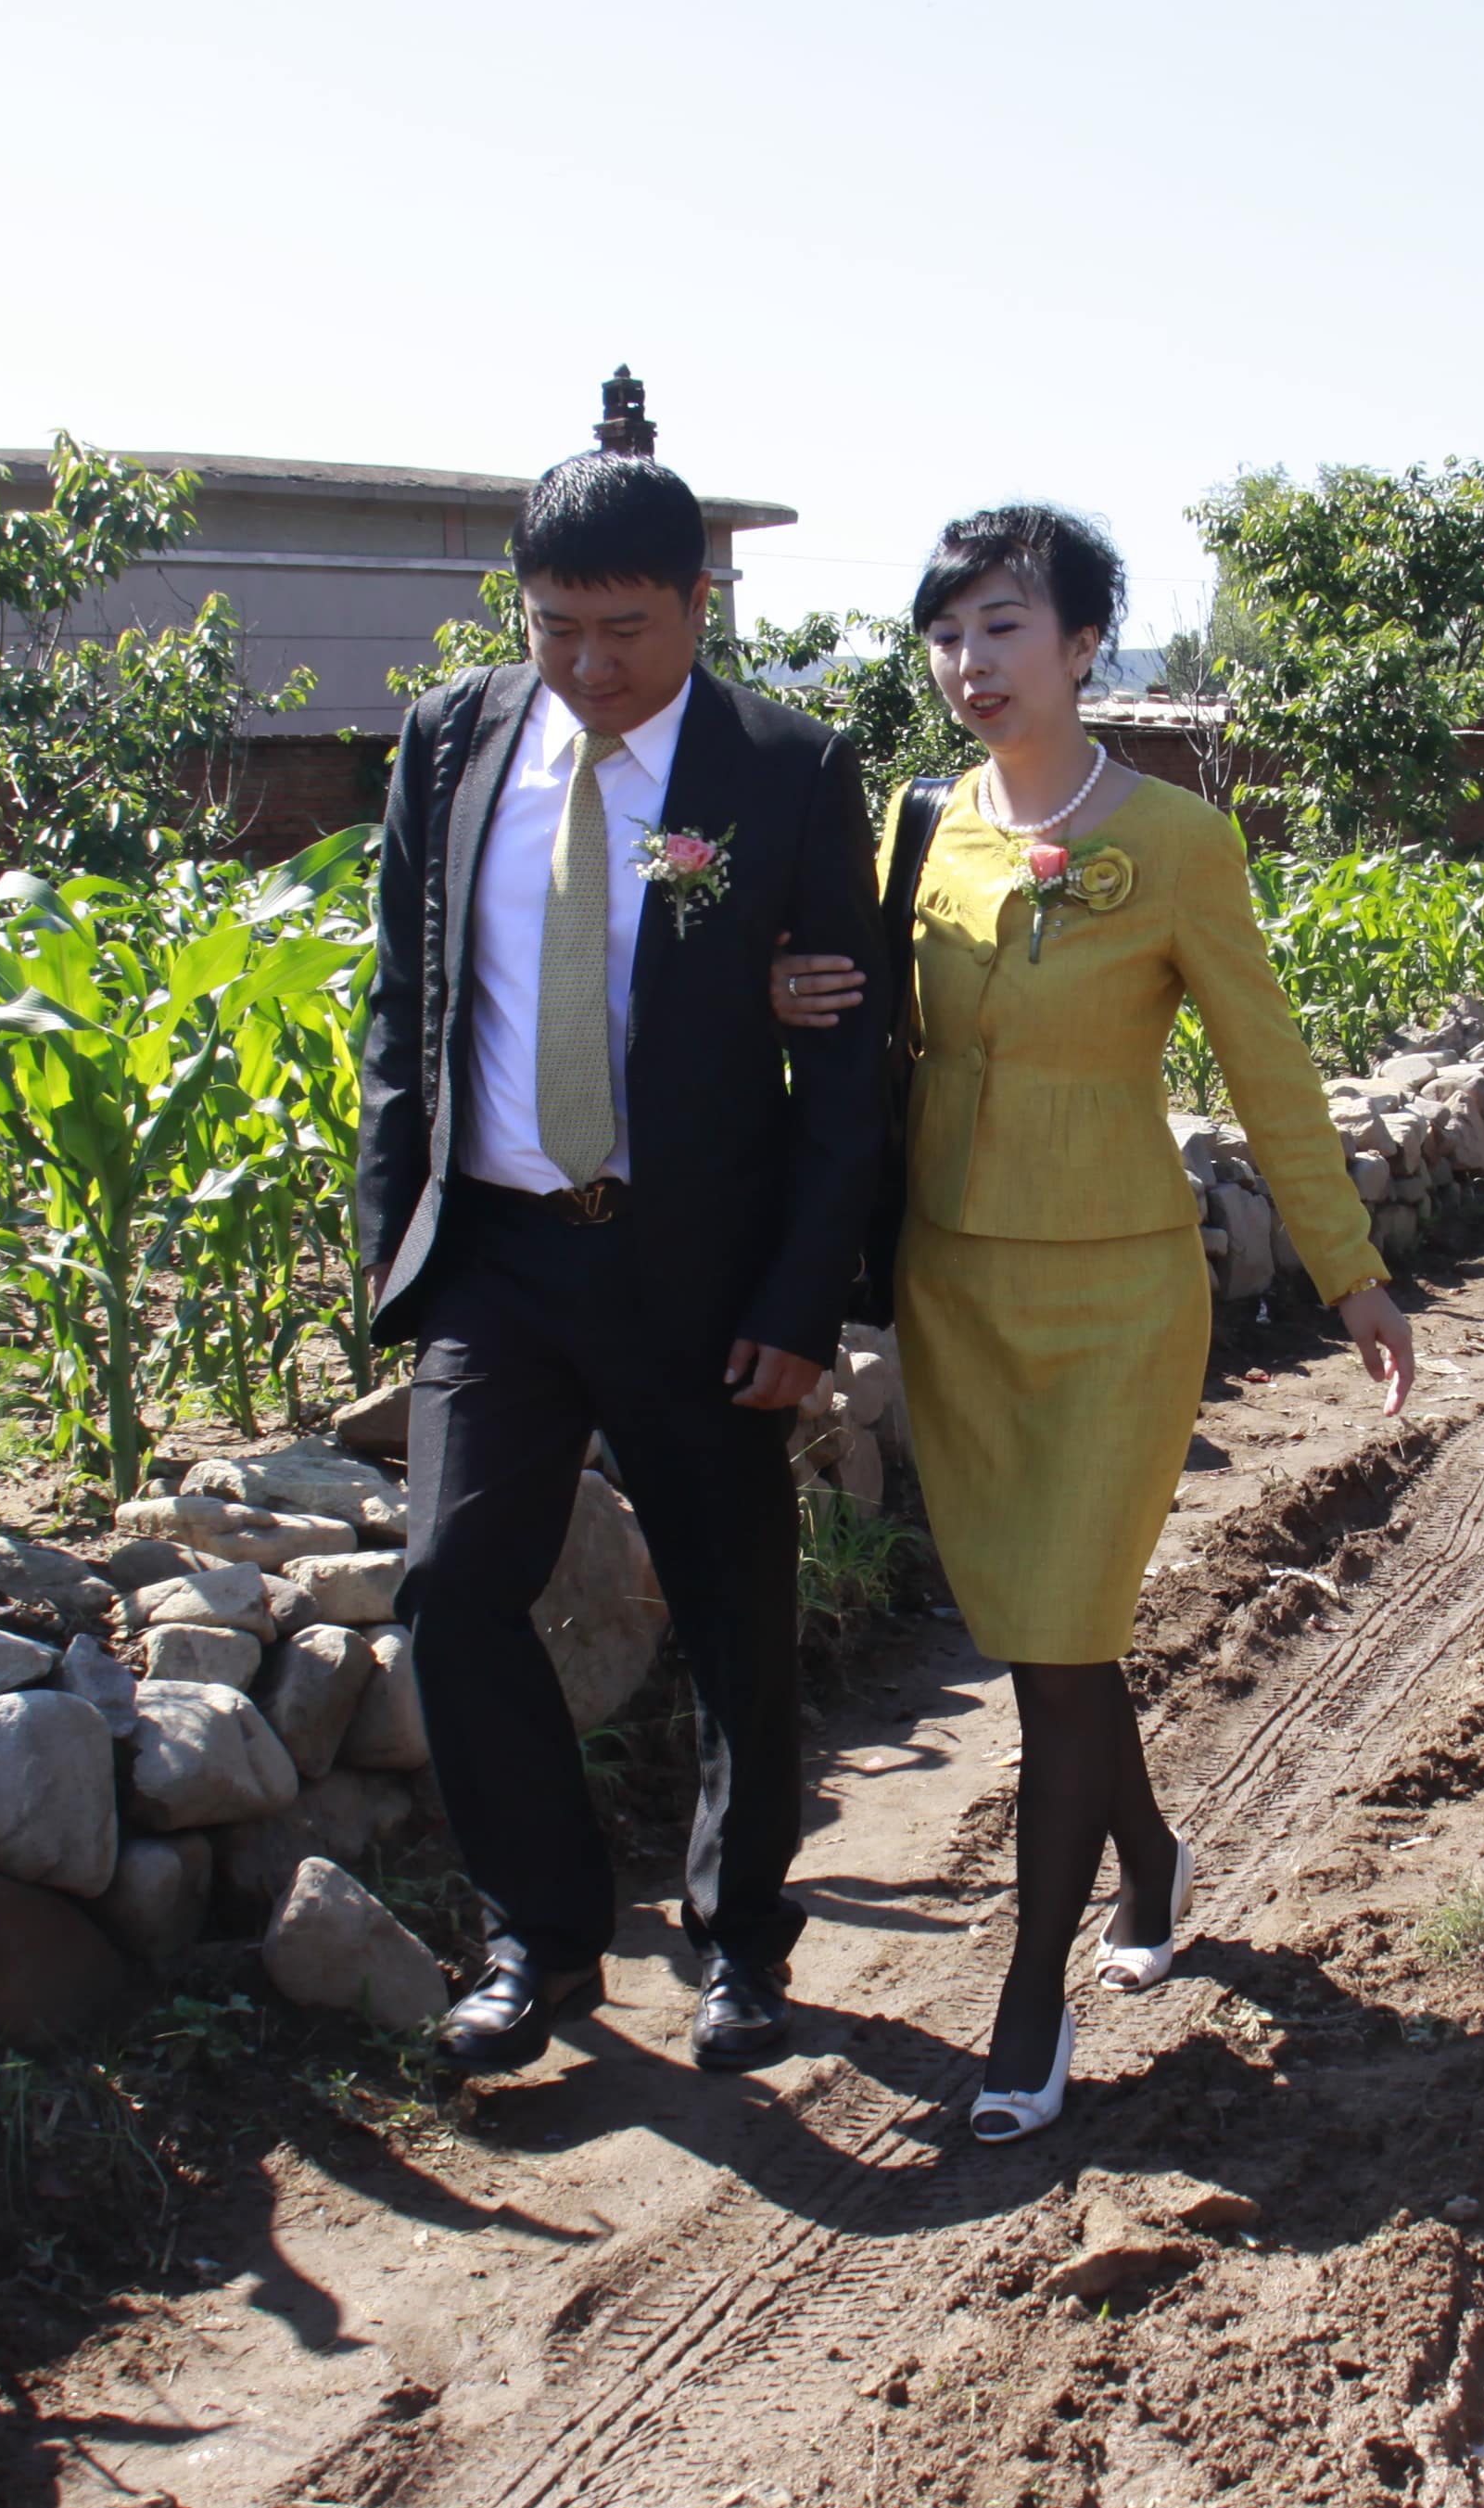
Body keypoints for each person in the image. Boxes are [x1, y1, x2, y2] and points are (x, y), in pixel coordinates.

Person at [768, 506, 1408, 2144]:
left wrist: (1347, 1271)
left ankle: (1028, 2002)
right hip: (954, 1286)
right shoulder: (919, 834)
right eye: (946, 633)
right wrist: (784, 996)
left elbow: (1266, 1067)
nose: (966, 664)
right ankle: (1152, 1862)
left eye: (999, 627)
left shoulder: (1180, 841)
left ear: (1079, 646)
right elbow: (861, 1040)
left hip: (1120, 1292)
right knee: (1048, 1637)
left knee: (1057, 1650)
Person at [354, 452, 893, 2081]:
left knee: (730, 1608)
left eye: (626, 628)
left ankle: (740, 1944)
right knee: (453, 1590)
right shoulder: (453, 741)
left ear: (697, 608)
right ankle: (542, 1937)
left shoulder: (783, 768)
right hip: (503, 1255)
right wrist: (404, 1247)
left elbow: (852, 1066)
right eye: (556, 625)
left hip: (697, 1263)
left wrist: (804, 1300)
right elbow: (400, 1002)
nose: (588, 665)